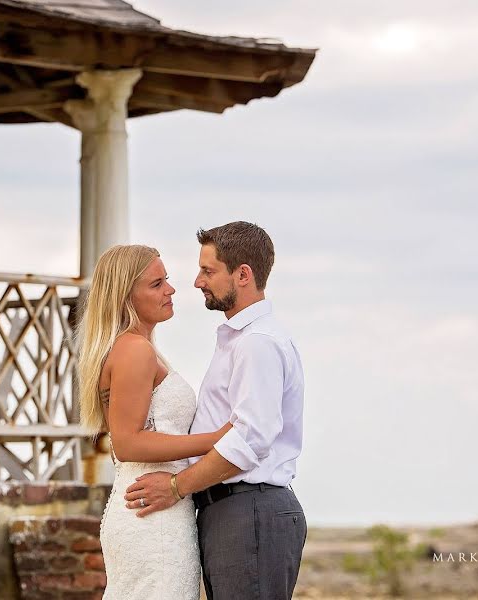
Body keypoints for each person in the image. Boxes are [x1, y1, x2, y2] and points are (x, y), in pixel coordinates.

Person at [125, 221, 307, 600]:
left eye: (208, 271)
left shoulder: (256, 343)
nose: (196, 282)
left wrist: (176, 487)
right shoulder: (239, 340)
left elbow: (250, 440)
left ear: (243, 275)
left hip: (248, 510)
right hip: (234, 511)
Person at [75, 244, 232, 600]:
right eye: (157, 284)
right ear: (126, 297)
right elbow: (128, 443)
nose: (171, 290)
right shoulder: (134, 349)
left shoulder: (136, 346)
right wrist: (217, 439)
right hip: (152, 516)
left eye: (167, 281)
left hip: (151, 508)